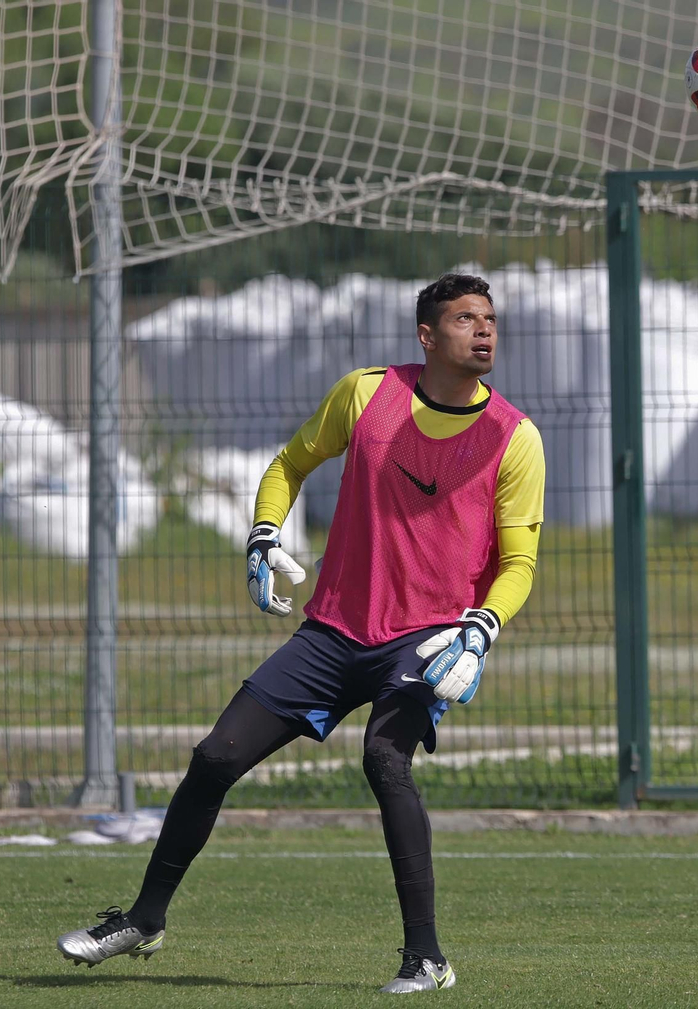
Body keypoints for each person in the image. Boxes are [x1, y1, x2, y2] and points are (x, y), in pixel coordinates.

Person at [55, 272, 546, 993]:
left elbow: (520, 561)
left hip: (426, 639)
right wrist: (262, 533)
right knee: (215, 756)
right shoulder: (366, 394)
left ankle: (428, 957)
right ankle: (144, 918)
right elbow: (289, 465)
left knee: (385, 759)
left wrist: (481, 628)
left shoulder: (515, 435)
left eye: (491, 319)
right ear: (426, 335)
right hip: (335, 629)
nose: (485, 331)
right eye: (467, 318)